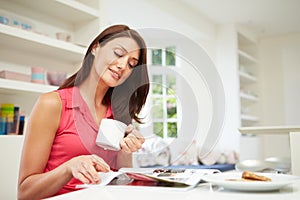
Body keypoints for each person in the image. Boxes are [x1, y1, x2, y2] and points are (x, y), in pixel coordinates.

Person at [18, 24, 149, 200]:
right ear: (96, 47)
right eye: (118, 54)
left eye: (132, 64)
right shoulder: (53, 104)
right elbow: (25, 192)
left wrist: (126, 150)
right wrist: (69, 167)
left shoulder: (118, 114)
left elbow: (120, 181)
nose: (122, 66)